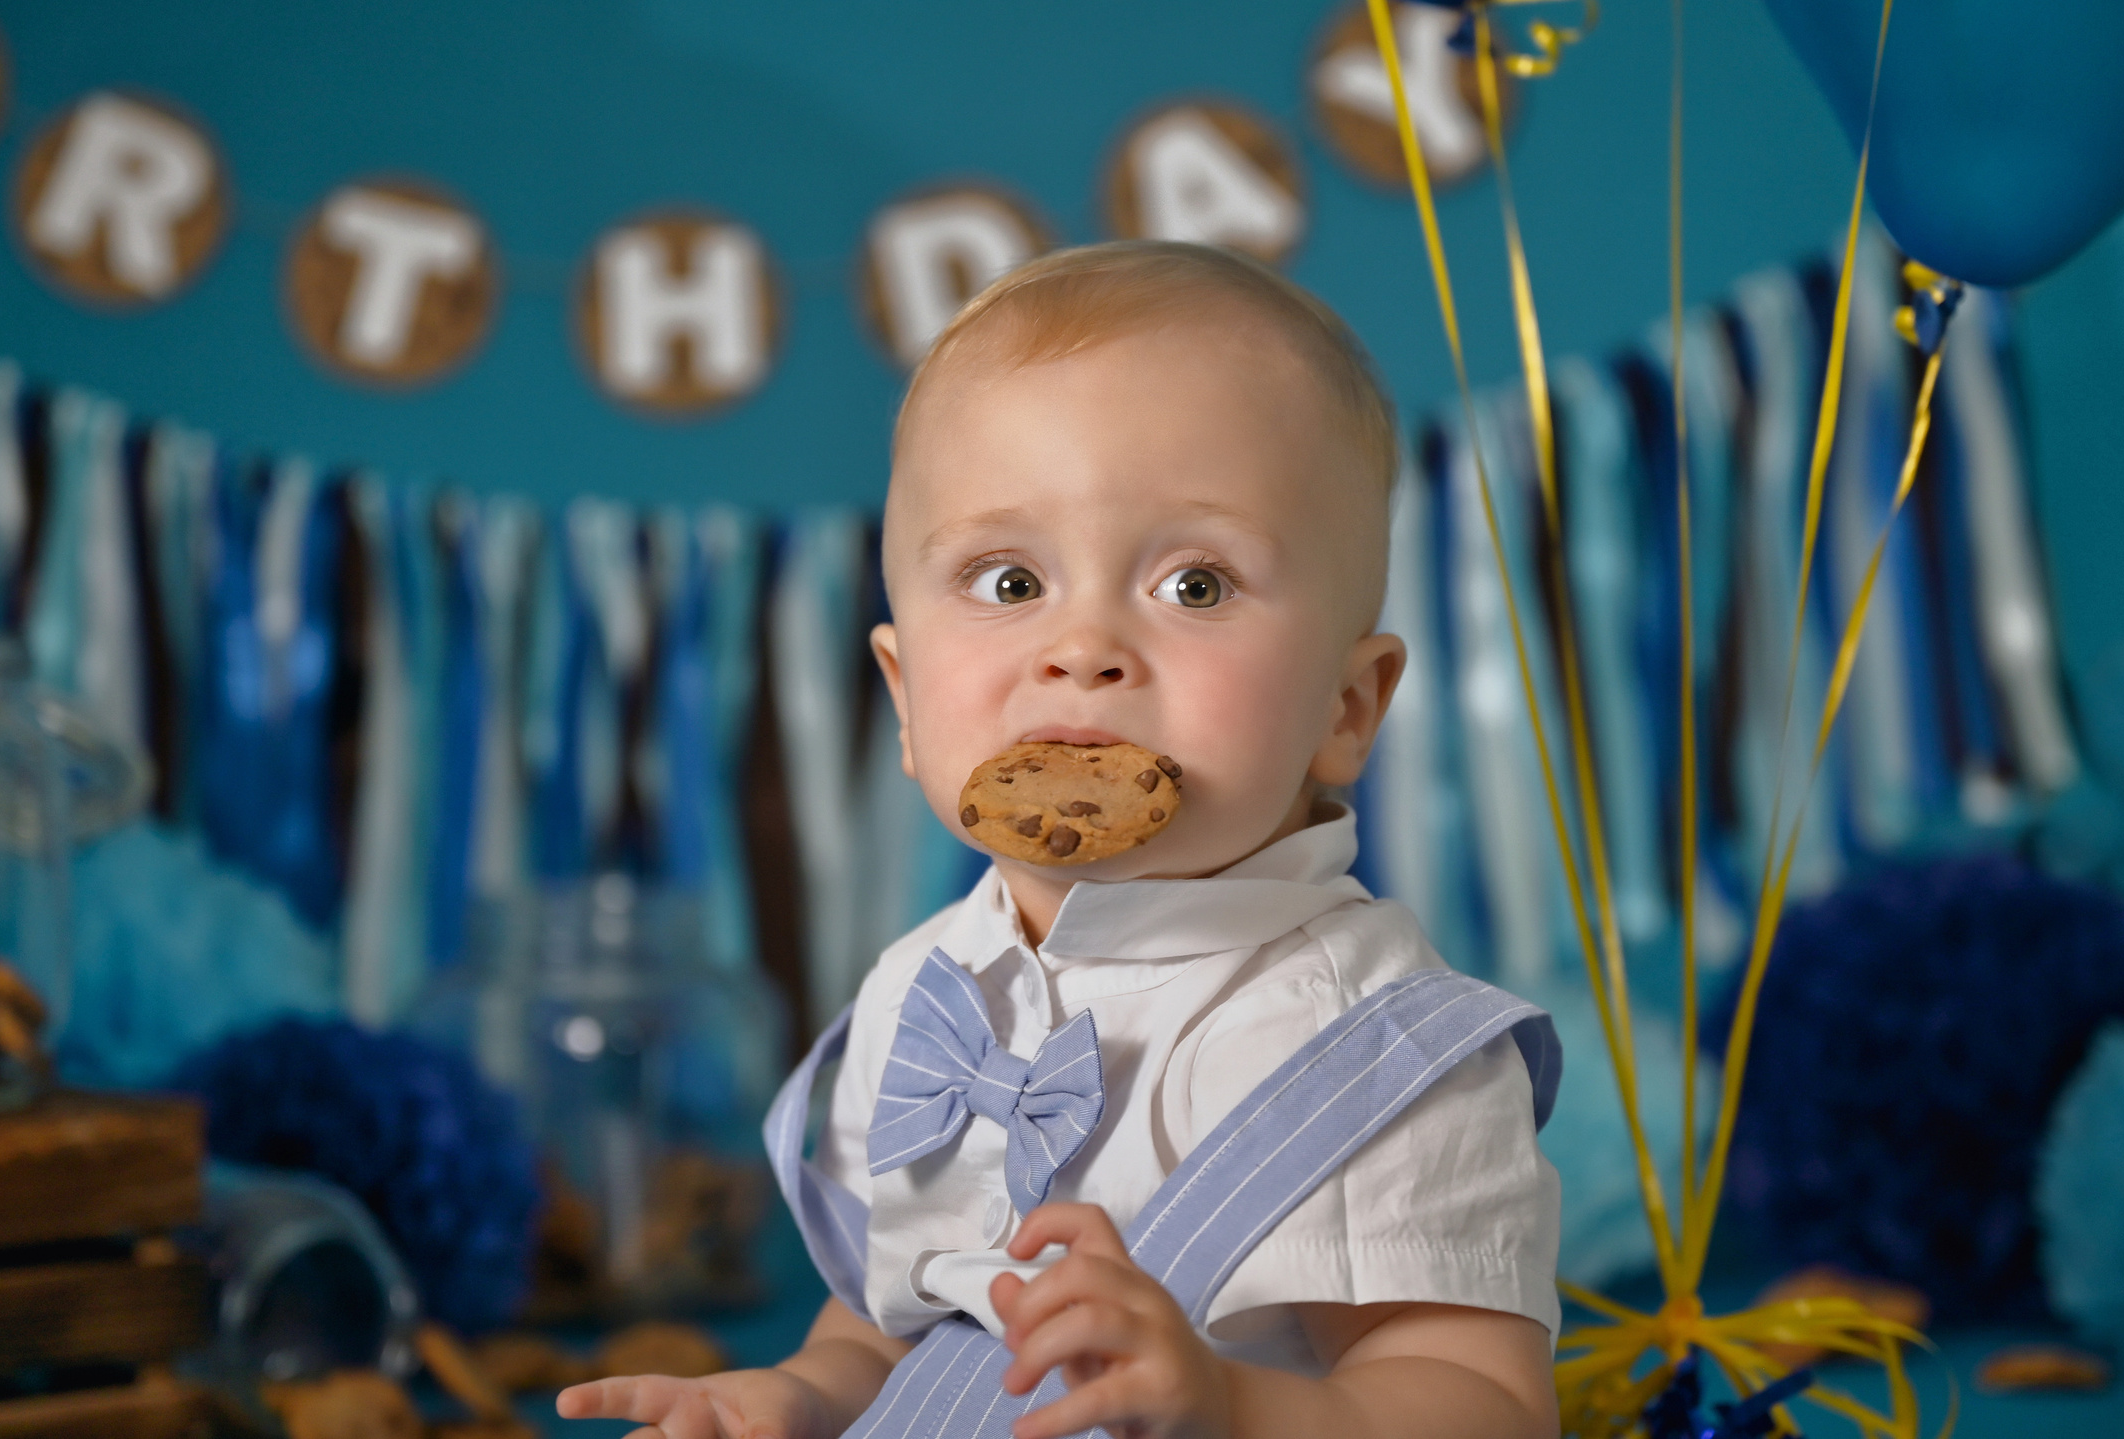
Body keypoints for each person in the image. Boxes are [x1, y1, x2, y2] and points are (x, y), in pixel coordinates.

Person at [560, 241, 1562, 1439]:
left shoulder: (1383, 1050)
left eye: (1195, 584)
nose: (1081, 644)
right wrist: (797, 1398)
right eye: (1005, 579)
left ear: (1346, 709)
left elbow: (1483, 1402)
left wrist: (1228, 1405)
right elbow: (891, 1321)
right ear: (903, 699)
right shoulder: (917, 994)